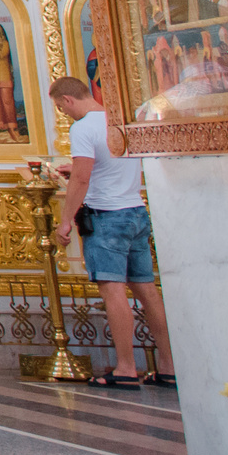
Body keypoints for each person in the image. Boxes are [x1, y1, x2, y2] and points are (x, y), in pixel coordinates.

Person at [51, 76, 177, 391]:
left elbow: (82, 178)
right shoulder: (117, 120)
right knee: (147, 292)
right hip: (135, 211)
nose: (64, 113)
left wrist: (65, 221)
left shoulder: (82, 128)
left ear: (67, 100)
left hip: (106, 216)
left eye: (61, 108)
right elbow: (109, 164)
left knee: (113, 291)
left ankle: (125, 368)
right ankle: (169, 367)